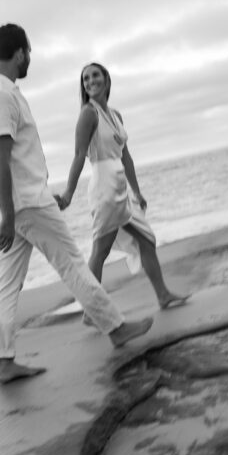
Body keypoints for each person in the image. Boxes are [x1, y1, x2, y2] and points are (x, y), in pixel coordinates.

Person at [0, 25, 153, 384]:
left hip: (18, 205)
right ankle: (116, 328)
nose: (30, 59)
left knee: (6, 282)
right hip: (26, 203)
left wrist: (8, 214)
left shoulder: (2, 92)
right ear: (20, 52)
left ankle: (4, 362)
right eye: (29, 52)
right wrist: (9, 215)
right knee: (72, 262)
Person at [55, 62, 188, 313]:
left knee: (146, 239)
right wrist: (67, 194)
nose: (90, 81)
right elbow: (78, 154)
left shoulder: (116, 115)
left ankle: (163, 295)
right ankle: (92, 310)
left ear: (106, 79)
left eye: (95, 75)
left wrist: (136, 191)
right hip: (103, 187)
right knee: (100, 250)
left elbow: (125, 157)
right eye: (85, 79)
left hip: (120, 187)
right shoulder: (88, 114)